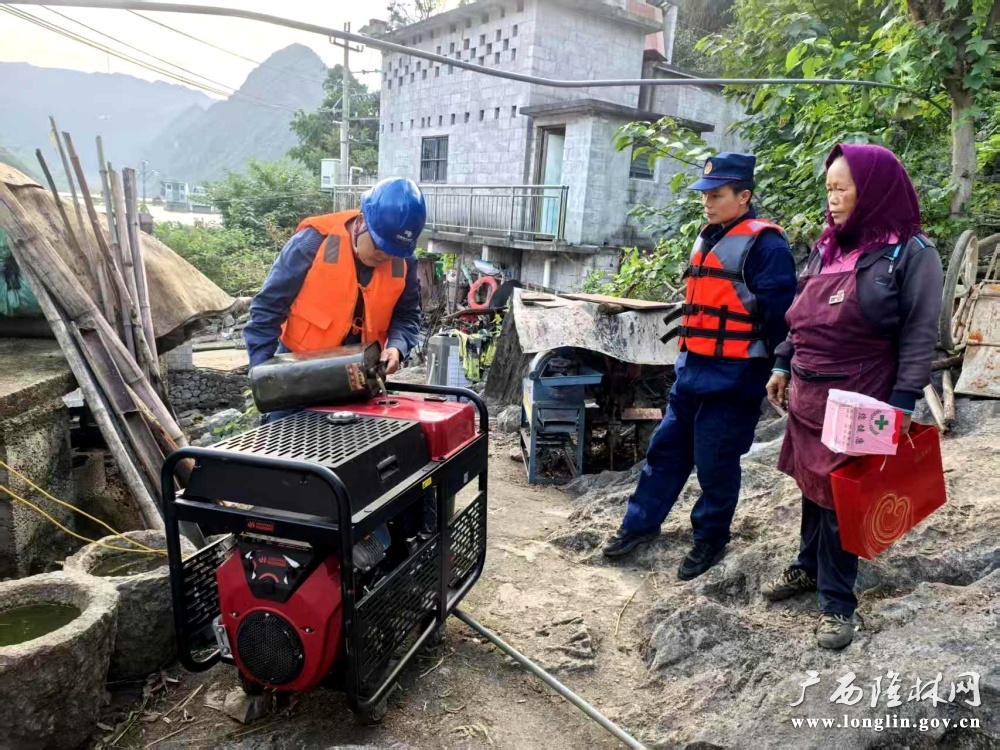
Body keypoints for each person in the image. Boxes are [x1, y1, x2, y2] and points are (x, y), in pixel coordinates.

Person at [761, 143, 943, 649]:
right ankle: (805, 567)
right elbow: (801, 313)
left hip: (863, 394)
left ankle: (838, 605)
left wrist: (904, 401)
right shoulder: (829, 247)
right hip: (809, 390)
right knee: (810, 483)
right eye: (829, 190)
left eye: (842, 189)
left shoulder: (912, 255)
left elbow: (920, 332)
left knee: (843, 493)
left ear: (875, 190)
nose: (833, 199)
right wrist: (781, 361)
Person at [602, 153, 798, 580]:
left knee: (716, 463)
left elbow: (783, 318)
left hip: (735, 377)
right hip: (692, 371)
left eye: (717, 195)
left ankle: (710, 539)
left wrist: (780, 367)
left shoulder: (767, 247)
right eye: (705, 195)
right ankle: (638, 526)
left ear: (744, 196)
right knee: (664, 452)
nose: (708, 203)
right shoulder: (708, 235)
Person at [243, 177, 426, 423]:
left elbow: (407, 315)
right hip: (298, 376)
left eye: (393, 251)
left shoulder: (404, 261)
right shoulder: (312, 243)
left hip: (361, 379)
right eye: (379, 246)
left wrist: (397, 346)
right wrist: (266, 377)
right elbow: (266, 310)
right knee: (285, 455)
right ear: (362, 221)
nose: (384, 256)